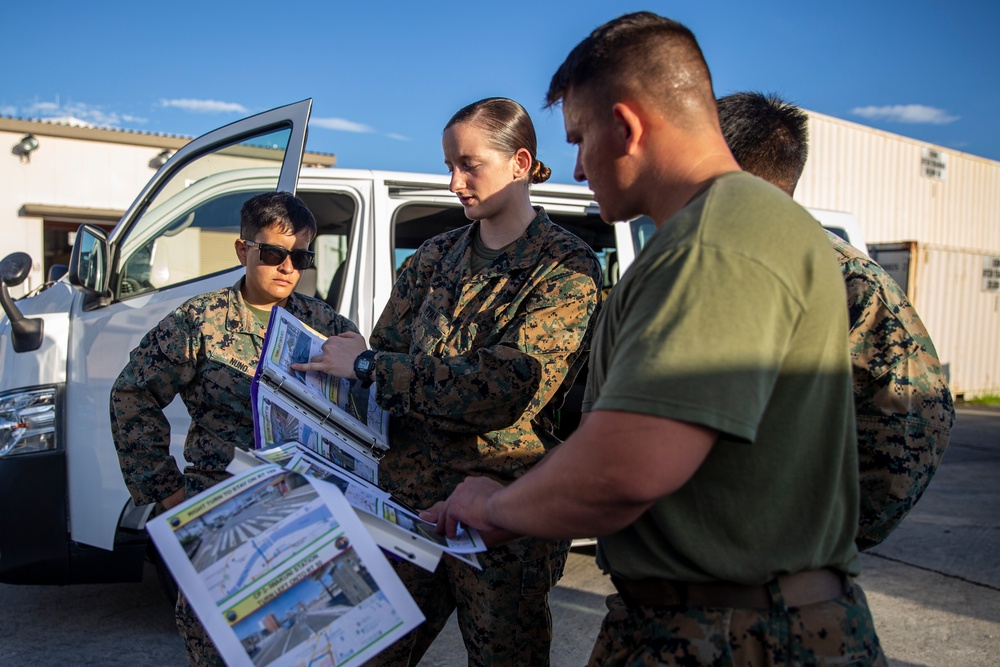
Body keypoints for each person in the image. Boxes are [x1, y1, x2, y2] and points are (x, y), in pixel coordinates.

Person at [431, 13, 887, 666]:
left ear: (628, 126)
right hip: (714, 617)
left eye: (582, 138)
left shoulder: (717, 240)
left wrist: (497, 504)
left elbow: (628, 464)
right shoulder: (724, 229)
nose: (580, 169)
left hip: (735, 631)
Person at [293, 97, 602, 666]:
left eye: (469, 164)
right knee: (366, 654)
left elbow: (503, 390)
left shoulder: (566, 265)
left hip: (501, 518)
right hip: (408, 507)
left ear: (520, 162)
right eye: (448, 166)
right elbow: (385, 349)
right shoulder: (433, 256)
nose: (454, 181)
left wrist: (370, 368)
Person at [110, 191, 358, 667]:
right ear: (243, 250)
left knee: (306, 644)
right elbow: (132, 395)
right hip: (223, 509)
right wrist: (167, 492)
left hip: (307, 510)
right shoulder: (199, 321)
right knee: (219, 645)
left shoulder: (326, 324)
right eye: (273, 253)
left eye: (300, 256)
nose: (287, 267)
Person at [716, 90, 955, 550]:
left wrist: (822, 533)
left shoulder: (841, 276)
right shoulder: (730, 259)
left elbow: (915, 418)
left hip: (775, 557)